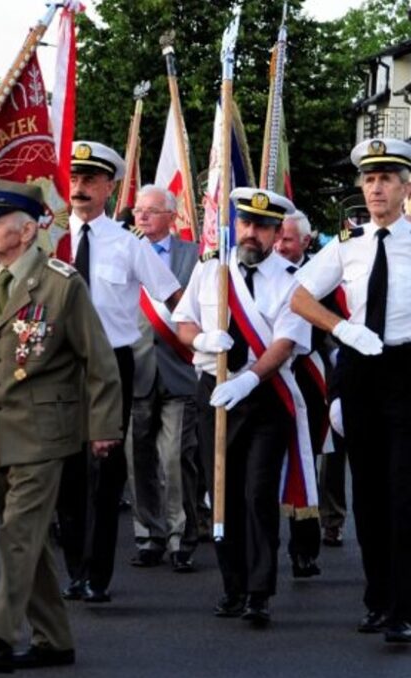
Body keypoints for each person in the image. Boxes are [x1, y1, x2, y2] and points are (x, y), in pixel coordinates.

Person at [290, 137, 411, 645]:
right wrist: (342, 329)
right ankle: (376, 600)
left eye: (387, 180)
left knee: (406, 494)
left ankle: (402, 609)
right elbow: (299, 297)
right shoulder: (345, 244)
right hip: (361, 369)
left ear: (405, 189)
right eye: (369, 179)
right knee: (369, 495)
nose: (376, 188)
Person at [0, 179, 122, 673]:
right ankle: (55, 639)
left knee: (16, 534)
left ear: (24, 230)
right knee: (31, 541)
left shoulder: (62, 284)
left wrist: (104, 426)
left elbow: (100, 362)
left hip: (45, 432)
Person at [173, 187, 312, 627]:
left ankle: (259, 590)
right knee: (222, 493)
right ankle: (232, 585)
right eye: (247, 224)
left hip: (264, 394)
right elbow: (183, 320)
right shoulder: (212, 270)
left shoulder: (292, 282)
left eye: (263, 227)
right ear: (236, 225)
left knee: (257, 494)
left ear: (276, 232)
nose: (252, 234)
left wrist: (250, 378)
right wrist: (199, 340)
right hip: (213, 392)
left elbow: (286, 342)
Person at [58, 141, 182, 603]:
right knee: (66, 470)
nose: (80, 187)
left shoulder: (128, 243)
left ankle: (97, 573)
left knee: (104, 470)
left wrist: (204, 339)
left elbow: (172, 297)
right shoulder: (52, 240)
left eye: (91, 179)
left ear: (110, 187)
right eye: (74, 178)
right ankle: (74, 567)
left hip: (110, 365)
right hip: (57, 365)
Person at [128, 185, 201, 572]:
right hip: (136, 368)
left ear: (172, 216)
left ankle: (181, 536)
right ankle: (149, 535)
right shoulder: (125, 250)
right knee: (137, 458)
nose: (141, 217)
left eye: (151, 211)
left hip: (179, 366)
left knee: (175, 458)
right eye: (138, 210)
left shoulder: (195, 256)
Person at [272, 209, 332, 578]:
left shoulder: (321, 276)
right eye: (276, 238)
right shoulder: (258, 273)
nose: (279, 246)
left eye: (288, 240)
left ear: (306, 242)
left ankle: (304, 549)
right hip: (264, 376)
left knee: (304, 461)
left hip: (305, 375)